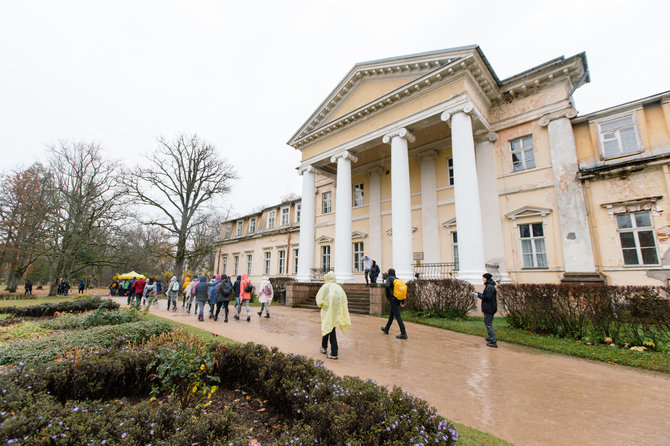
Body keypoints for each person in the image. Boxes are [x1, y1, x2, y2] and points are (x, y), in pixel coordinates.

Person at [316, 271, 351, 360]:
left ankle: (334, 352)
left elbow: (319, 300)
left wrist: (322, 305)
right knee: (327, 328)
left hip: (328, 312)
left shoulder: (326, 286)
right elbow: (344, 301)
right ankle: (323, 347)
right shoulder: (339, 287)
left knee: (330, 330)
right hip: (336, 313)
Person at [381, 268, 408, 339]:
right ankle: (386, 329)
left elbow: (387, 286)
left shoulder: (389, 279)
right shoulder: (398, 279)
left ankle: (403, 333)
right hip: (398, 299)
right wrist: (403, 301)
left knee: (397, 316)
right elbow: (403, 290)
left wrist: (389, 295)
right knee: (391, 315)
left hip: (393, 299)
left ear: (389, 273)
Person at [475, 273, 498, 348]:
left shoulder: (490, 287)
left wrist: (477, 294)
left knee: (488, 324)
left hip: (489, 308)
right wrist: (478, 294)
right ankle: (490, 337)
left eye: (484, 278)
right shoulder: (489, 286)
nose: (483, 279)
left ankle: (493, 341)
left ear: (487, 279)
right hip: (489, 307)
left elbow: (487, 297)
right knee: (488, 322)